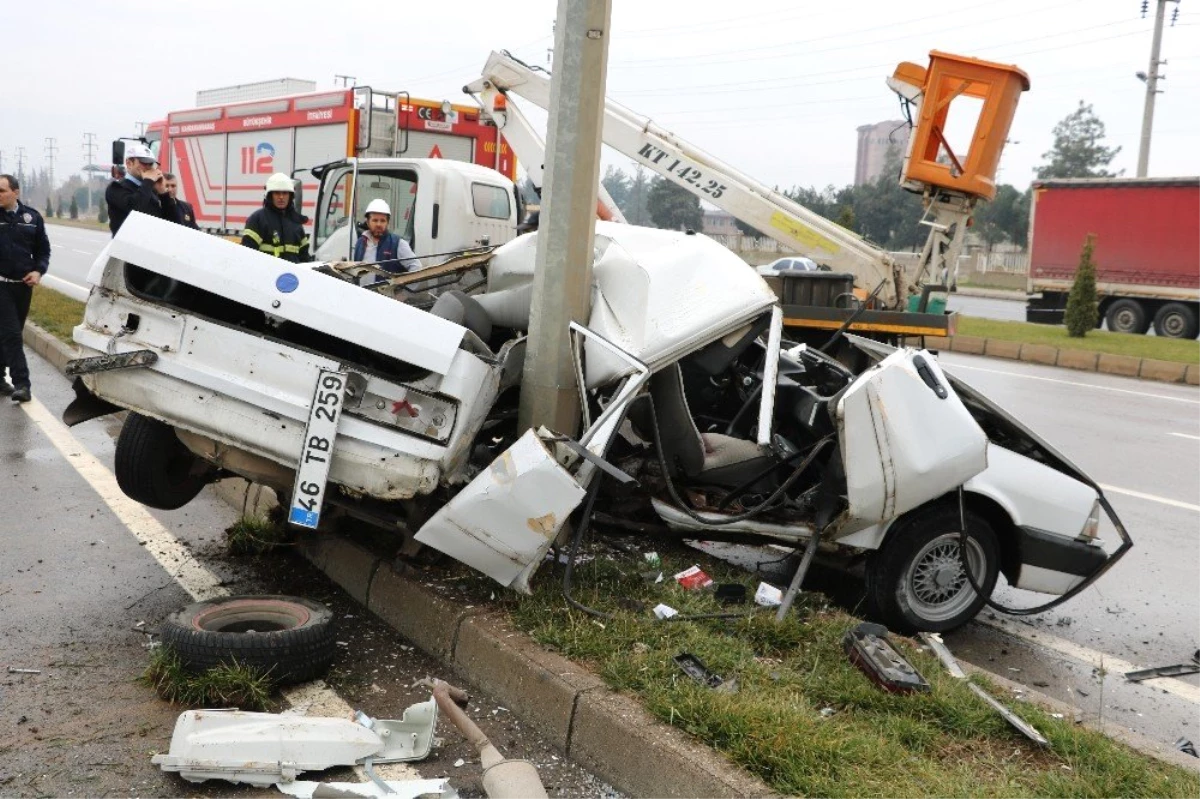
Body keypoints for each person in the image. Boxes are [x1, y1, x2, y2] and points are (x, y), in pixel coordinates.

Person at [0, 174, 51, 403]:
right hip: (0, 285)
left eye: (2, 191)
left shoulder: (32, 218)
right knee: (11, 335)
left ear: (16, 192)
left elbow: (43, 251)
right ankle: (22, 384)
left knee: (10, 333)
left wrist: (38, 271)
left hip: (23, 287)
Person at [105, 142, 179, 236]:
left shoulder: (151, 189)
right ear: (129, 163)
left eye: (151, 164)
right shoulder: (116, 188)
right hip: (125, 245)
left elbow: (174, 222)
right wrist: (148, 181)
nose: (148, 167)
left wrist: (163, 193)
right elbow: (136, 208)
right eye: (144, 163)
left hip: (150, 244)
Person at [240, 173, 310, 263]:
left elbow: (304, 257)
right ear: (269, 195)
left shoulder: (296, 222)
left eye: (285, 193)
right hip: (265, 275)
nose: (281, 197)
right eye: (277, 193)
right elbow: (247, 255)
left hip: (290, 276)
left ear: (290, 196)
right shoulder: (258, 219)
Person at [352, 199, 421, 274]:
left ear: (387, 222)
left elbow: (416, 267)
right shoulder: (360, 242)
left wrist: (403, 285)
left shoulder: (398, 244)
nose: (379, 224)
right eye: (375, 220)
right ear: (368, 222)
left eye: (382, 221)